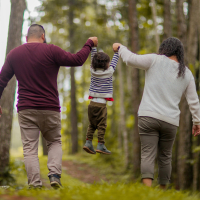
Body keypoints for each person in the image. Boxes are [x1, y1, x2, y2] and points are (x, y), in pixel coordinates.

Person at [0, 24, 98, 189]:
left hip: (26, 108)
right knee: (54, 141)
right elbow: (77, 60)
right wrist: (89, 43)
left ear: (26, 37)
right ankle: (54, 175)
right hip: (50, 107)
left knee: (30, 148)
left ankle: (35, 184)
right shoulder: (51, 50)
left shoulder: (14, 54)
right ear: (43, 36)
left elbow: (2, 80)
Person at [113, 37, 200, 189]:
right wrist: (197, 122)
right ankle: (161, 192)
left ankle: (147, 192)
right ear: (180, 53)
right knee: (165, 157)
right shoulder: (186, 73)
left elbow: (130, 59)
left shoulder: (154, 60)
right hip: (170, 121)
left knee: (147, 154)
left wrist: (120, 47)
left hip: (148, 117)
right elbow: (194, 101)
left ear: (164, 49)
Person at [83, 46, 119, 155]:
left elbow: (92, 58)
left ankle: (88, 142)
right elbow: (114, 62)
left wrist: (93, 47)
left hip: (92, 104)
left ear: (93, 63)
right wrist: (117, 52)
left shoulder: (92, 70)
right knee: (101, 126)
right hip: (101, 105)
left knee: (92, 124)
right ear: (107, 64)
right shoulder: (109, 72)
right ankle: (100, 144)